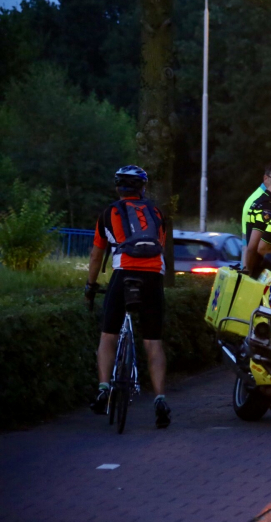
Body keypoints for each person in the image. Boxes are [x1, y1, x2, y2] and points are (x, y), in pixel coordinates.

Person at [84, 166, 171, 428]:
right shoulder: (157, 213)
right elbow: (161, 247)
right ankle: (160, 398)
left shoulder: (108, 213)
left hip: (123, 275)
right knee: (153, 342)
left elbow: (96, 255)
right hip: (154, 276)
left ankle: (103, 388)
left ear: (117, 188)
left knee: (108, 335)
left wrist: (90, 285)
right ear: (142, 188)